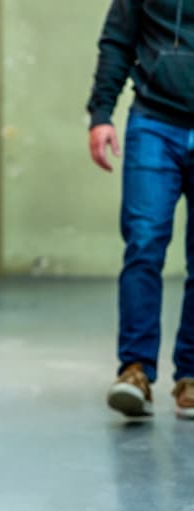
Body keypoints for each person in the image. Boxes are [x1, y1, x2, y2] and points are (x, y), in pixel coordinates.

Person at [87, 0, 194, 418]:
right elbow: (117, 41)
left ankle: (190, 376)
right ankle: (135, 371)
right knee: (144, 245)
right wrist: (101, 113)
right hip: (154, 122)